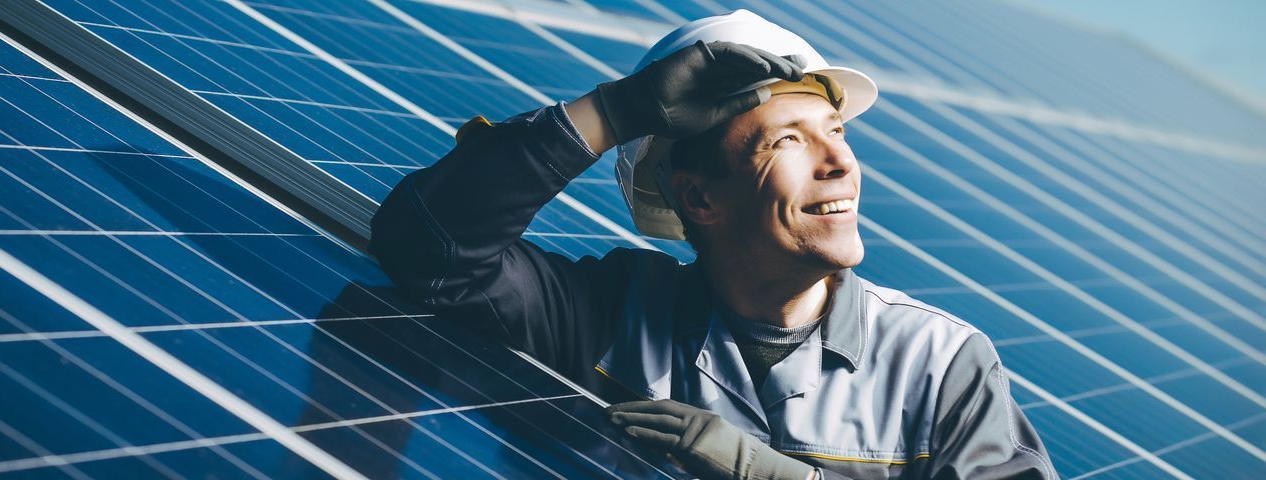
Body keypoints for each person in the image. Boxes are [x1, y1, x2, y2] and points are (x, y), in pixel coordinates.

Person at [370, 9, 1056, 480]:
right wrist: (617, 111)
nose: (840, 163)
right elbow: (430, 248)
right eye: (789, 139)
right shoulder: (609, 314)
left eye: (836, 132)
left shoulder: (940, 365)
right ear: (699, 197)